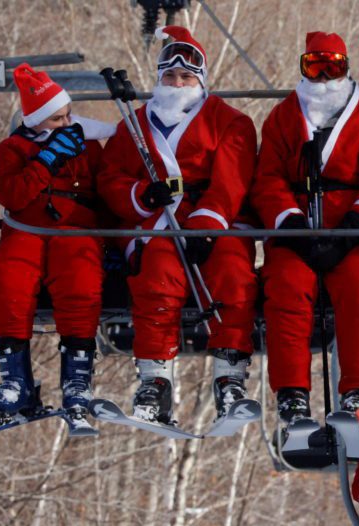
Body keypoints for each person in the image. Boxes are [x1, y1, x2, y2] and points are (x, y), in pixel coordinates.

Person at [100, 26, 258, 424]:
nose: (178, 82)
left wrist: (206, 224)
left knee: (232, 274)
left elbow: (232, 180)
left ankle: (230, 374)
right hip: (160, 219)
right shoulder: (134, 126)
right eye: (170, 76)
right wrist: (140, 194)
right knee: (156, 276)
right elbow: (110, 177)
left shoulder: (230, 121)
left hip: (215, 218)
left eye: (187, 76)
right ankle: (155, 379)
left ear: (200, 80)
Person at [252, 31, 359, 423]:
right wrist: (291, 224)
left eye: (333, 67)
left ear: (346, 69)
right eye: (314, 67)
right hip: (296, 234)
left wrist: (356, 224)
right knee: (285, 286)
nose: (323, 77)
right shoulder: (283, 117)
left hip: (354, 233)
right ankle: (292, 392)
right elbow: (268, 179)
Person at [0, 65, 113, 428]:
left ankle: (77, 376)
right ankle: (15, 379)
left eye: (68, 115)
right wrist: (46, 161)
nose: (66, 123)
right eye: (57, 118)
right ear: (38, 120)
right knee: (8, 280)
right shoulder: (13, 149)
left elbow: (105, 194)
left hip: (75, 231)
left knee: (79, 281)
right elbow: (11, 194)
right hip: (27, 229)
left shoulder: (87, 147)